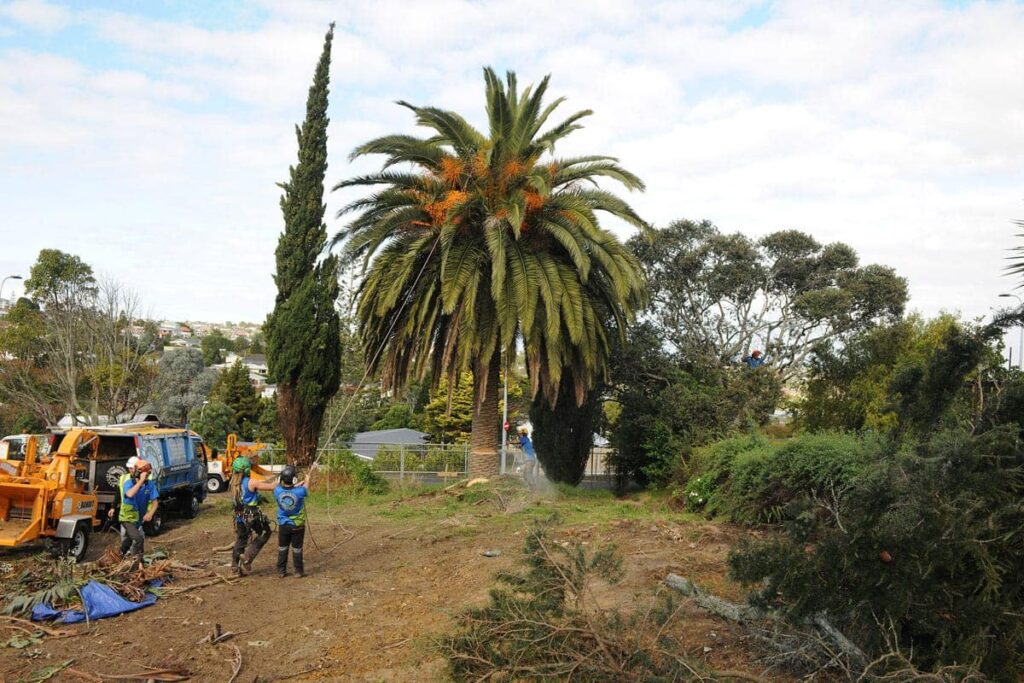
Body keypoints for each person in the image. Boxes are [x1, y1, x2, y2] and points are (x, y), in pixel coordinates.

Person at [230, 456, 276, 576]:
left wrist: (258, 497)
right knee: (265, 532)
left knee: (241, 540)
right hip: (252, 515)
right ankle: (248, 556)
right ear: (246, 470)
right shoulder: (251, 481)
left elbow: (243, 498)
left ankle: (235, 568)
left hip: (240, 515)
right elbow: (272, 486)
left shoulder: (233, 484)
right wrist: (286, 480)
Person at [111, 456, 158, 569]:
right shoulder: (128, 482)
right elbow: (130, 494)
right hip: (127, 518)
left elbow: (155, 502)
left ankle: (120, 556)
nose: (146, 476)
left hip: (138, 518)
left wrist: (150, 513)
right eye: (145, 474)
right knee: (138, 538)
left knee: (128, 541)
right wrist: (140, 481)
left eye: (147, 475)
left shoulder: (150, 485)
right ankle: (136, 562)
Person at [273, 465, 311, 578]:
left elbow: (289, 488)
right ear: (294, 479)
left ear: (281, 479)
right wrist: (307, 479)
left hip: (283, 525)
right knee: (297, 549)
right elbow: (305, 488)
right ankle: (298, 572)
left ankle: (281, 571)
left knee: (282, 548)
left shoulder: (277, 490)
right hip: (297, 525)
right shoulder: (300, 492)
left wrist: (300, 482)